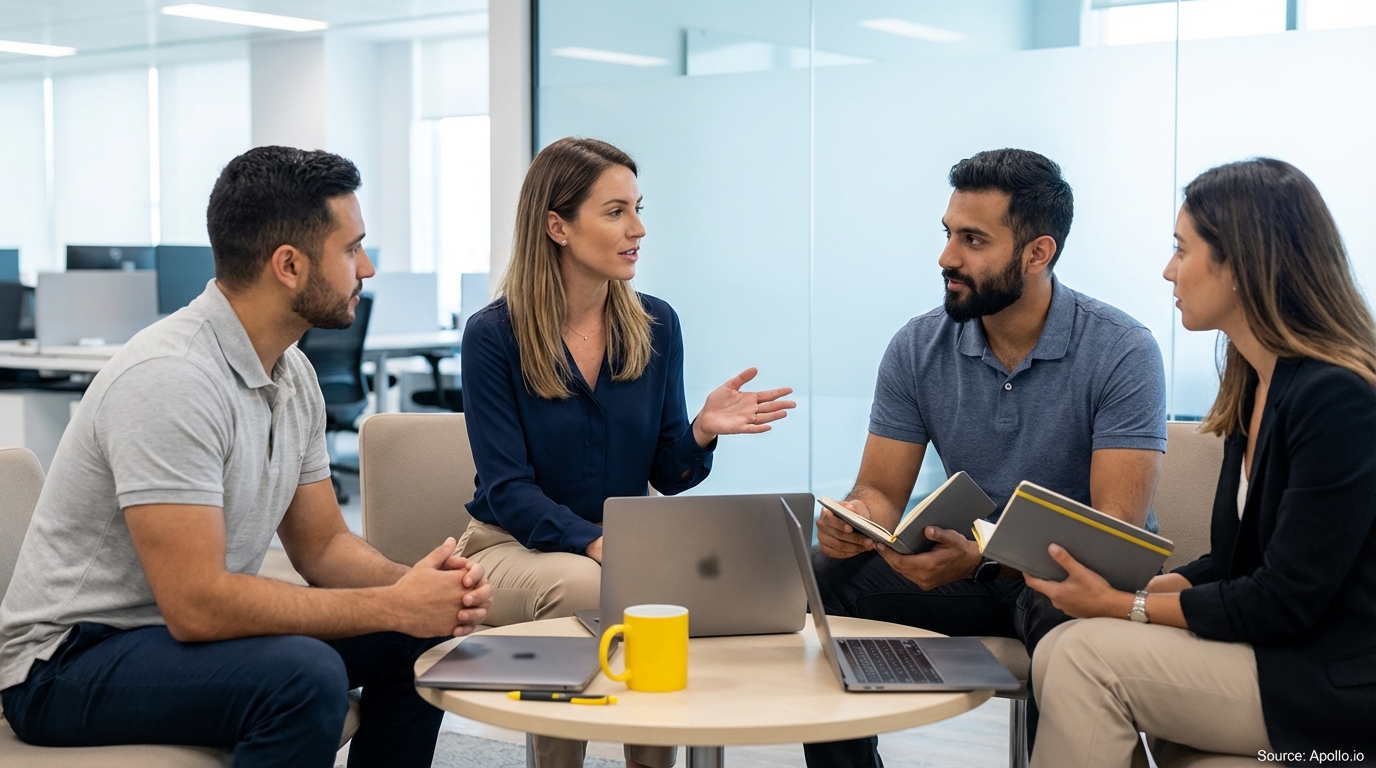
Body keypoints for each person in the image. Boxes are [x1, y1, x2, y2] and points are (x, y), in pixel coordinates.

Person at [0, 146, 493, 768]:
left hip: (165, 640)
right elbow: (198, 605)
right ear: (288, 264)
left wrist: (420, 591)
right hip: (65, 663)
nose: (366, 267)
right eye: (351, 248)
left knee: (414, 639)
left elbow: (321, 548)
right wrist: (392, 603)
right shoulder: (171, 378)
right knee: (304, 676)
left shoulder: (293, 374)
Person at [807, 148, 1167, 767]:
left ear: (1037, 253)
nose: (948, 257)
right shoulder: (917, 346)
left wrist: (987, 560)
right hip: (968, 575)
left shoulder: (1122, 350)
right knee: (824, 575)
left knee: (1066, 626)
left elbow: (1117, 533)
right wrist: (853, 520)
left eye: (973, 240)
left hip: (1067, 581)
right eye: (948, 234)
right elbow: (881, 492)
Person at [1027, 158, 1376, 767]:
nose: (1168, 271)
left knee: (1086, 655)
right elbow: (1242, 556)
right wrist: (1158, 585)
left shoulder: (1336, 397)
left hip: (1330, 684)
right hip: (1280, 654)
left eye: (1181, 250)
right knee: (1060, 647)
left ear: (1240, 264)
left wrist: (1124, 605)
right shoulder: (1257, 382)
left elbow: (1284, 598)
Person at [459, 136, 795, 768]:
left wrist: (701, 431)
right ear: (556, 225)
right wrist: (595, 540)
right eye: (615, 212)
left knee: (683, 587)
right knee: (590, 584)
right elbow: (508, 488)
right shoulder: (493, 336)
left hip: (620, 546)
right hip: (507, 545)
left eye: (638, 209)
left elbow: (668, 475)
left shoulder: (657, 325)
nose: (638, 229)